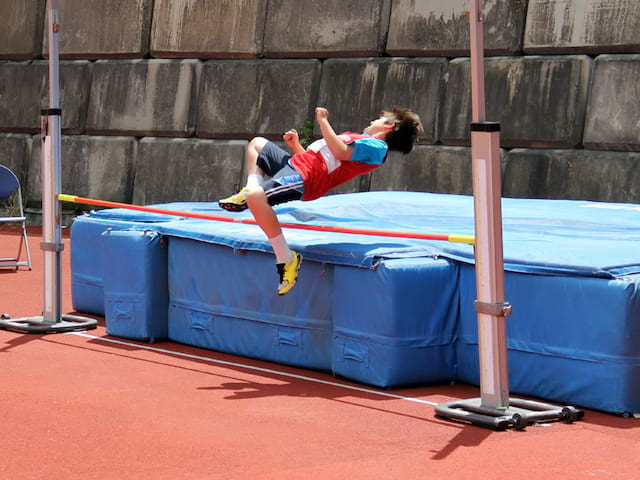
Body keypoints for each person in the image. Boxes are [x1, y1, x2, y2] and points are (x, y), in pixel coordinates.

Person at [218, 106, 423, 295]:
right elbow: (323, 159)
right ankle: (250, 189)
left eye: (378, 119)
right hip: (299, 166)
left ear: (389, 126)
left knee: (256, 199)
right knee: (257, 144)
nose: (371, 122)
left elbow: (339, 152)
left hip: (306, 178)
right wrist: (296, 147)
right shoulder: (359, 139)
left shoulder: (377, 148)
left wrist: (323, 121)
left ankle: (285, 258)